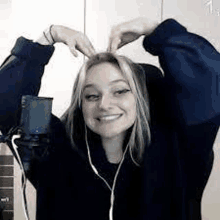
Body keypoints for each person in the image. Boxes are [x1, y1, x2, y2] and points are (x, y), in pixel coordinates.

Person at [0, 17, 220, 220]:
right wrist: (49, 36)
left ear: (140, 97)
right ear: (80, 104)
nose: (104, 105)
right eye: (92, 96)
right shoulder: (53, 145)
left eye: (120, 91)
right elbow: (8, 106)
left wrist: (156, 30)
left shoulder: (179, 146)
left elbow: (210, 83)